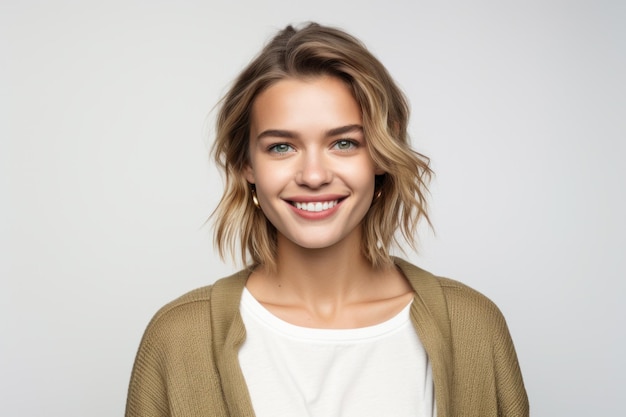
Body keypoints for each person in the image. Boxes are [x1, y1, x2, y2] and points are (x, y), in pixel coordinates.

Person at [125, 23, 528, 417]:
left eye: (344, 143)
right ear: (246, 163)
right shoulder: (178, 339)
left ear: (382, 156)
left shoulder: (473, 327)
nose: (314, 175)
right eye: (281, 146)